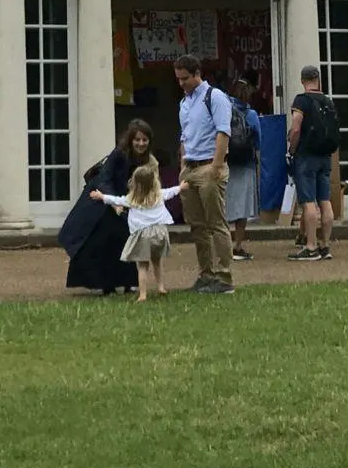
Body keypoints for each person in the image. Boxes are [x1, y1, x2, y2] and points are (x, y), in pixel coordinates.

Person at [60, 120, 154, 295]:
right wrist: (113, 202)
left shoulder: (147, 160)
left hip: (126, 204)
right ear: (130, 140)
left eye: (145, 140)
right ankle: (107, 285)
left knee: (129, 240)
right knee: (103, 243)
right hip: (103, 203)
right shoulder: (119, 154)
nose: (141, 144)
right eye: (137, 140)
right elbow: (105, 178)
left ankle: (129, 282)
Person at [174, 55, 236, 294]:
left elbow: (223, 131)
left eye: (185, 78)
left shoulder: (215, 97)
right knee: (197, 226)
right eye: (179, 79)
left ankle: (223, 276)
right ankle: (206, 274)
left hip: (210, 165)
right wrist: (182, 165)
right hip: (190, 166)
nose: (182, 83)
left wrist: (217, 166)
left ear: (197, 74)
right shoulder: (184, 103)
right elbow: (185, 135)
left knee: (216, 222)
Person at [91, 159, 184, 302]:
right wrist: (181, 187)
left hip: (143, 234)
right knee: (157, 261)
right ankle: (160, 287)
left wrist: (101, 196)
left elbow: (116, 200)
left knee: (142, 266)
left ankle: (143, 294)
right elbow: (171, 192)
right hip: (160, 232)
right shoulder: (159, 194)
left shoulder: (132, 199)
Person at [287, 63, 341, 262]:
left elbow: (295, 128)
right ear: (318, 79)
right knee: (325, 201)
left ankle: (310, 247)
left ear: (303, 81)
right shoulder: (328, 101)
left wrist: (292, 149)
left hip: (307, 155)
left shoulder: (302, 100)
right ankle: (325, 245)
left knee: (308, 203)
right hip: (325, 156)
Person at [226, 73, 261, 264]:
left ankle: (223, 244)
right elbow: (258, 141)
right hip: (246, 163)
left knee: (225, 204)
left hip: (227, 162)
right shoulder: (252, 115)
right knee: (243, 207)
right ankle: (238, 245)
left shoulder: (225, 110)